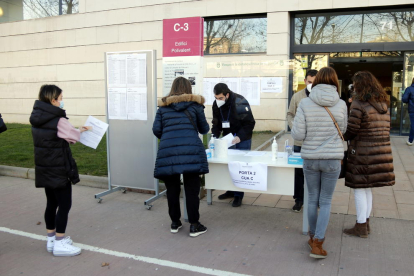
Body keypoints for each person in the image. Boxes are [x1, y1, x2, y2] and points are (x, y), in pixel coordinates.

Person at [291, 67, 347, 259]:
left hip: (311, 159)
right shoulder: (340, 104)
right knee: (326, 201)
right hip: (332, 159)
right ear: (334, 81)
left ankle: (312, 237)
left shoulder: (305, 103)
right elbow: (344, 129)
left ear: (315, 81)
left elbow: (297, 134)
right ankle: (318, 243)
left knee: (312, 199)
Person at [30, 84, 92, 257]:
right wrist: (80, 131)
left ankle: (51, 239)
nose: (62, 101)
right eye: (61, 98)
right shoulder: (59, 119)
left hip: (45, 167)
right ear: (53, 100)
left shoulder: (37, 116)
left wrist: (75, 130)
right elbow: (72, 136)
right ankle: (60, 242)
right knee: (64, 205)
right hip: (59, 168)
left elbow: (56, 137)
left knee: (51, 203)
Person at [153, 77, 210, 237]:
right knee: (192, 190)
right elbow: (204, 129)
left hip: (168, 152)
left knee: (172, 190)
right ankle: (194, 225)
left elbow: (157, 130)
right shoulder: (196, 106)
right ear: (188, 89)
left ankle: (175, 223)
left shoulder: (163, 108)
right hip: (191, 151)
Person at [343, 71, 395, 238]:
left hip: (363, 152)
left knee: (359, 188)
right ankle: (365, 223)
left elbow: (352, 129)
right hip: (380, 150)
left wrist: (343, 137)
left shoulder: (359, 103)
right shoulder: (384, 103)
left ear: (360, 85)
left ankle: (360, 227)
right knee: (367, 189)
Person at [211, 83, 256, 207]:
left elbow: (250, 123)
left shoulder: (240, 102)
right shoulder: (216, 104)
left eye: (220, 98)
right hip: (228, 138)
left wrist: (239, 137)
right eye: (216, 97)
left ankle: (238, 195)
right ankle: (230, 190)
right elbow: (216, 123)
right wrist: (214, 136)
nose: (218, 100)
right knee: (229, 165)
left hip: (242, 138)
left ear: (227, 94)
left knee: (240, 166)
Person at [287, 69, 318, 212]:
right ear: (305, 81)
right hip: (300, 142)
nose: (312, 84)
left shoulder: (320, 97)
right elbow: (290, 114)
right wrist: (296, 129)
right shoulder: (297, 97)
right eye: (310, 82)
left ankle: (315, 199)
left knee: (315, 172)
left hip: (316, 142)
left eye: (315, 82)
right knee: (299, 172)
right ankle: (299, 199)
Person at [402, 77, 414, 146]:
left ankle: (410, 140)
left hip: (412, 110)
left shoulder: (409, 89)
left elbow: (404, 99)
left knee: (413, 125)